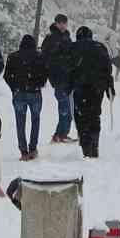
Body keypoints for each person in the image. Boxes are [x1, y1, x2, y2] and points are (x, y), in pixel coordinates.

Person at [69, 26, 114, 158]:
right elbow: (107, 69)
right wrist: (109, 87)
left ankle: (85, 146)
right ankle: (94, 145)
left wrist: (68, 86)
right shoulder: (100, 47)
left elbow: (68, 68)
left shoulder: (73, 48)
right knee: (94, 115)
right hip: (97, 87)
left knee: (81, 117)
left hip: (80, 87)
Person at [3, 33, 49, 159]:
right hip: (35, 93)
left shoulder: (13, 57)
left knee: (20, 122)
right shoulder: (40, 57)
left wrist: (14, 88)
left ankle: (23, 151)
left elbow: (7, 76)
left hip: (19, 93)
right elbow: (45, 74)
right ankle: (33, 149)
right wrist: (39, 84)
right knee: (35, 120)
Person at [42, 14, 76, 143]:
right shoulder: (50, 39)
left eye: (64, 23)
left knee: (68, 109)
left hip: (69, 78)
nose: (62, 25)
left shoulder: (67, 38)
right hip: (58, 78)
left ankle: (61, 134)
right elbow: (45, 58)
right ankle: (59, 135)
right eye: (60, 23)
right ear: (55, 24)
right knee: (64, 108)